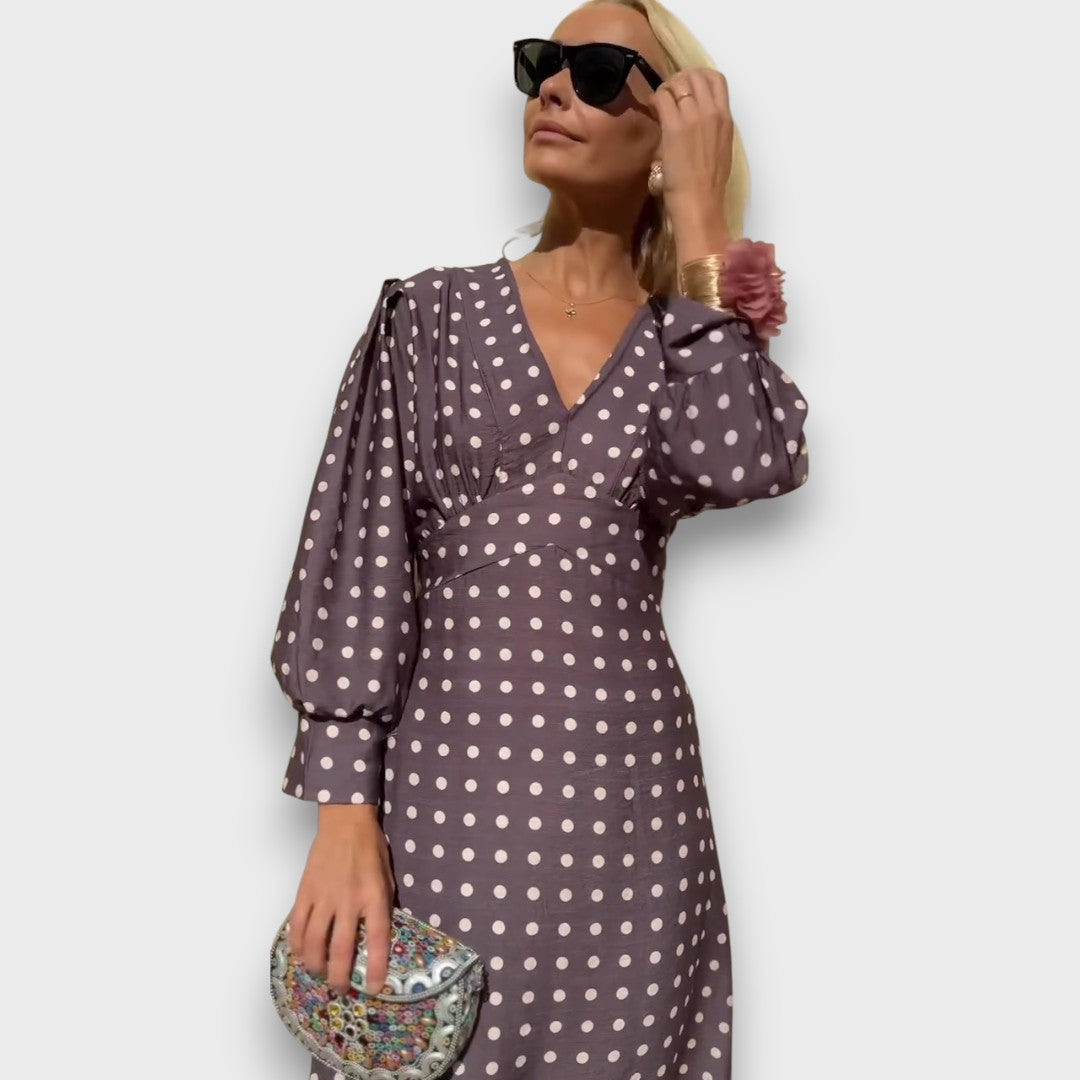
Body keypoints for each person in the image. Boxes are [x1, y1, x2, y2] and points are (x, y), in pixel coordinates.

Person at [269, 1, 809, 1076]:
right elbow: (358, 561)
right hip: (447, 800)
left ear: (670, 134)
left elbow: (745, 461)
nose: (555, 87)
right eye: (542, 63)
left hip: (634, 813)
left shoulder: (683, 342)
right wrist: (342, 814)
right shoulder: (430, 315)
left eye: (602, 71)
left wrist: (703, 221)